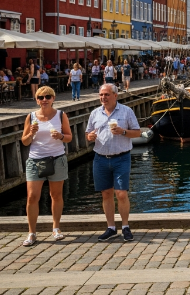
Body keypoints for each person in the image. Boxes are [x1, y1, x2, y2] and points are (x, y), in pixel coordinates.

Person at [85, 83, 140, 242]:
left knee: (121, 193)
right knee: (106, 193)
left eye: (107, 94)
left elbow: (137, 132)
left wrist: (123, 131)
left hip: (121, 157)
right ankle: (110, 227)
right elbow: (88, 134)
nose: (103, 98)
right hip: (100, 158)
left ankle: (125, 226)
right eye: (101, 95)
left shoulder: (126, 111)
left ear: (115, 95)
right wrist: (90, 137)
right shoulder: (95, 113)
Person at [19, 86, 73, 246]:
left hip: (57, 158)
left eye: (48, 97)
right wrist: (31, 133)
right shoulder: (31, 117)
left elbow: (69, 137)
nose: (44, 100)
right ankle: (31, 232)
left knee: (56, 195)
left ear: (53, 98)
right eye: (41, 97)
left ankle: (56, 228)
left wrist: (61, 136)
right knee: (32, 197)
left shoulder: (61, 115)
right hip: (35, 160)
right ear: (37, 100)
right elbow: (25, 142)